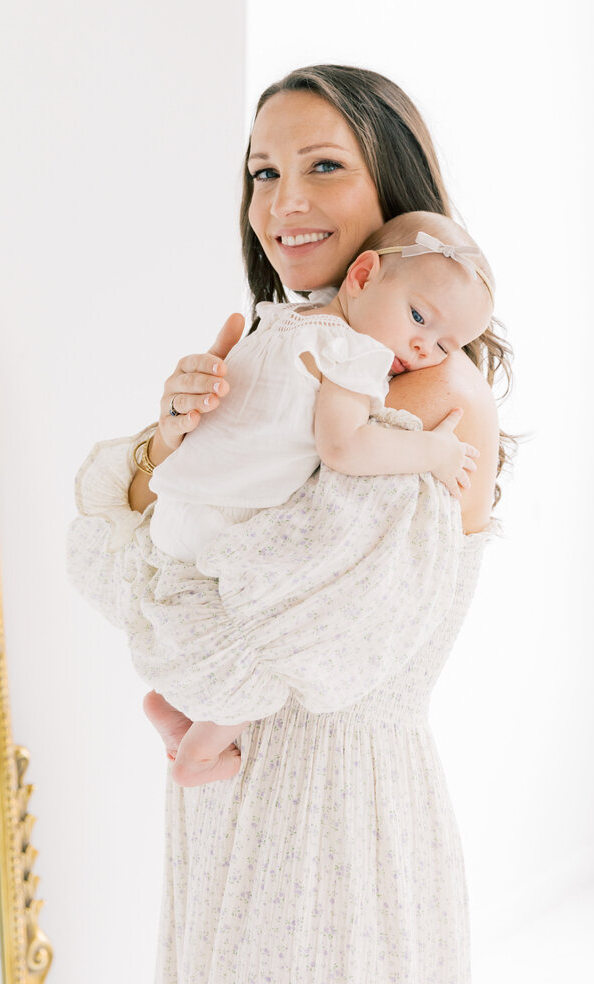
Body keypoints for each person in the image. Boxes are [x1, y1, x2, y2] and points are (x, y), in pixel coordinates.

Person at [67, 64, 514, 983]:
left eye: (322, 166)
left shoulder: (431, 392)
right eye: (263, 172)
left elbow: (228, 643)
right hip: (234, 800)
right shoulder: (300, 361)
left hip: (330, 824)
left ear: (391, 193)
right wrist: (170, 443)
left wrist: (163, 524)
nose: (283, 202)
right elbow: (114, 566)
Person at [141, 209, 496, 788]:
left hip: (177, 507)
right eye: (417, 317)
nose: (420, 346)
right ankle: (200, 752)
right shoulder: (355, 355)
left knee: (221, 626)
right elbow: (345, 446)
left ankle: (173, 707)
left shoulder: (283, 321)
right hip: (226, 523)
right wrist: (435, 453)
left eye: (444, 343)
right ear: (362, 275)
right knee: (276, 635)